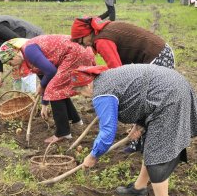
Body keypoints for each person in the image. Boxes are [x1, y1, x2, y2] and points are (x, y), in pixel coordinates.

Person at [71, 64, 197, 196]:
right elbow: (139, 95)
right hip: (172, 87)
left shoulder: (101, 93)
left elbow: (107, 133)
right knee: (151, 147)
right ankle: (140, 187)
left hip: (170, 98)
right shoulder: (105, 79)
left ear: (88, 84)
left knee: (157, 158)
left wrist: (93, 155)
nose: (84, 97)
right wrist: (139, 125)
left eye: (81, 92)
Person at [71, 16, 175, 152]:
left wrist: (107, 93)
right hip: (160, 53)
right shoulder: (104, 31)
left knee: (147, 102)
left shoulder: (102, 40)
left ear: (86, 34)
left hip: (158, 57)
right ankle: (139, 142)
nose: (84, 46)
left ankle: (149, 144)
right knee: (145, 101)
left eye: (81, 41)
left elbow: (117, 71)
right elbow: (122, 66)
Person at [0, 35, 96, 143]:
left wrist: (42, 89)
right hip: (78, 52)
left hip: (76, 53)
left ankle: (63, 133)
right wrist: (44, 103)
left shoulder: (29, 51)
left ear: (14, 55)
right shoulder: (28, 57)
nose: (12, 66)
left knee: (55, 90)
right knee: (58, 88)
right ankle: (76, 121)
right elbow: (47, 80)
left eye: (9, 63)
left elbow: (50, 73)